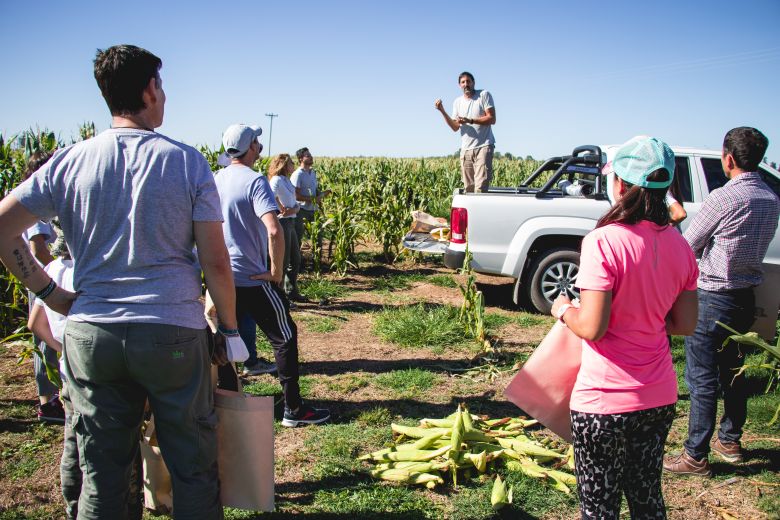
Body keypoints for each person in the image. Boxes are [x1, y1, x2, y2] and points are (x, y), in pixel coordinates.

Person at [0, 44, 236, 519]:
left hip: (92, 335)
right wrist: (229, 332)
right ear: (150, 89)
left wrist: (51, 293)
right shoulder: (187, 162)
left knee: (103, 472)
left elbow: (3, 225)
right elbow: (215, 261)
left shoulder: (68, 161)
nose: (164, 96)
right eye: (162, 86)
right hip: (172, 331)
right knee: (191, 466)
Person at [551, 136, 699, 519]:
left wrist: (564, 309)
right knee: (646, 497)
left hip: (604, 402)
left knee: (599, 506)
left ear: (619, 184)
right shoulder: (681, 247)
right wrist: (648, 310)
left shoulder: (603, 242)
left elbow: (593, 327)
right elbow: (684, 324)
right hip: (658, 396)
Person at [664, 127, 780, 477]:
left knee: (701, 379)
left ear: (728, 158)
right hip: (745, 297)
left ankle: (694, 455)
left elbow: (691, 244)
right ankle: (730, 441)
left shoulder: (724, 197)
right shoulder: (770, 198)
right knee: (733, 371)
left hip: (713, 295)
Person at [215, 124, 330, 427]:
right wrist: (276, 273)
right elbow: (274, 228)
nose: (259, 146)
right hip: (253, 277)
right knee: (285, 337)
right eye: (256, 141)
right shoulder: (254, 181)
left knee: (227, 339)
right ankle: (294, 409)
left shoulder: (216, 179)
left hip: (224, 279)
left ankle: (228, 405)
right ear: (251, 147)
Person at [21, 151, 64, 423]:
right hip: (44, 278)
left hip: (47, 276)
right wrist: (56, 277)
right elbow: (38, 249)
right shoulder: (37, 203)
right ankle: (48, 403)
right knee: (45, 338)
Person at [434, 71, 496, 193]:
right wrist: (442, 110)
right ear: (460, 85)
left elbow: (492, 119)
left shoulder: (484, 95)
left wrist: (471, 120)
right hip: (466, 149)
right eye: (463, 82)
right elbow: (455, 127)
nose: (466, 84)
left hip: (483, 146)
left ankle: (481, 211)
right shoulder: (457, 102)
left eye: (468, 81)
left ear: (473, 83)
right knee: (469, 188)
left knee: (480, 188)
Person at [268, 154, 302, 301]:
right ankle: (279, 295)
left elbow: (293, 200)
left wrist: (294, 209)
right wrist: (281, 208)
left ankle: (291, 291)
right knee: (284, 260)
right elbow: (271, 195)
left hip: (291, 221)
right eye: (291, 163)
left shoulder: (287, 180)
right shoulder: (276, 180)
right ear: (283, 165)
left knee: (295, 259)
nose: (293, 165)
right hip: (283, 223)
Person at [291, 147, 329, 273]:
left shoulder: (313, 172)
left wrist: (322, 195)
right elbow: (296, 196)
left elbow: (314, 191)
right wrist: (313, 199)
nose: (311, 157)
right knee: (298, 237)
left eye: (310, 155)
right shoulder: (298, 174)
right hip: (301, 209)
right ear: (301, 159)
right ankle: (297, 264)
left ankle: (316, 263)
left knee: (318, 236)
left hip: (313, 209)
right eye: (307, 155)